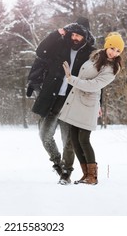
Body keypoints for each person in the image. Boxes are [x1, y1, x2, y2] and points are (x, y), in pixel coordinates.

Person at [26, 17, 96, 185]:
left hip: (73, 100)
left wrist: (99, 103)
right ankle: (58, 163)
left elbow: (97, 79)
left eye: (79, 36)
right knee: (45, 135)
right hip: (53, 98)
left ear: (85, 37)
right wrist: (57, 33)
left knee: (69, 140)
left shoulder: (91, 54)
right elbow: (40, 52)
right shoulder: (59, 45)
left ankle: (66, 172)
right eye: (73, 34)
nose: (75, 38)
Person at [59, 32, 125, 185]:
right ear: (107, 45)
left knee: (84, 139)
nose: (113, 52)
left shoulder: (112, 69)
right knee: (75, 140)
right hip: (78, 100)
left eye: (117, 51)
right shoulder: (95, 57)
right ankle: (85, 175)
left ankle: (92, 176)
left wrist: (70, 79)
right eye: (112, 48)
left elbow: (94, 85)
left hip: (88, 104)